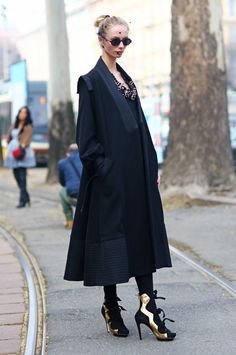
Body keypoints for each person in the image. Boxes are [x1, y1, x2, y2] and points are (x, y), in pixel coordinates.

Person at [64, 15, 176, 341]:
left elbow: (140, 128)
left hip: (137, 176)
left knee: (141, 236)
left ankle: (148, 306)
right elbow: (86, 140)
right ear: (102, 40)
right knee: (112, 243)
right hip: (110, 180)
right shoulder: (91, 82)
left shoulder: (127, 80)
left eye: (126, 40)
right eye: (116, 40)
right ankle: (111, 305)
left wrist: (151, 167)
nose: (122, 46)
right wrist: (106, 170)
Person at [4, 106, 36, 208]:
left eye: (24, 113)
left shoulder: (28, 126)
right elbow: (9, 135)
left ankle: (22, 201)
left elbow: (27, 139)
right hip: (12, 152)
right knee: (16, 174)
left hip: (22, 152)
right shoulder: (15, 124)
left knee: (22, 177)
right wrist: (8, 140)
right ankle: (26, 197)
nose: (22, 114)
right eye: (20, 112)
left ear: (27, 115)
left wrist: (21, 147)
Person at [57, 143, 83, 229]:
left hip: (73, 196)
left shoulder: (62, 163)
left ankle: (70, 221)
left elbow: (62, 182)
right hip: (88, 196)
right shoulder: (86, 160)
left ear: (68, 152)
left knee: (62, 192)